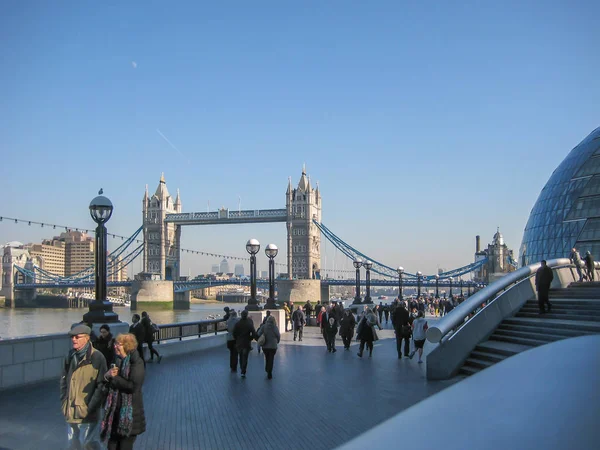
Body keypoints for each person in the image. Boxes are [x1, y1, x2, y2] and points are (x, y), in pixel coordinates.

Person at [61, 324, 107, 450]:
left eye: (77, 337)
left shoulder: (97, 357)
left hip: (87, 411)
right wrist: (64, 399)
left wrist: (91, 406)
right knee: (72, 444)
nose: (73, 340)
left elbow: (102, 386)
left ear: (87, 338)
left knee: (88, 443)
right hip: (70, 408)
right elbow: (64, 379)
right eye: (72, 337)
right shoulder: (70, 356)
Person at [101, 333, 146, 449]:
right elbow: (106, 383)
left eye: (118, 344)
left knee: (124, 447)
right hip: (114, 414)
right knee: (111, 447)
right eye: (115, 343)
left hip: (129, 416)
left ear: (127, 346)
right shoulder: (116, 360)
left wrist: (115, 378)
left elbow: (133, 386)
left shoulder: (137, 362)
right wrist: (107, 375)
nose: (115, 346)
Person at [232, 310, 257, 378]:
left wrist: (237, 339)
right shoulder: (249, 324)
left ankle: (241, 368)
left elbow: (234, 333)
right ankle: (243, 371)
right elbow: (254, 333)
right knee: (245, 357)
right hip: (246, 343)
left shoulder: (238, 324)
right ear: (246, 315)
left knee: (240, 356)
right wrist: (251, 338)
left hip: (239, 343)